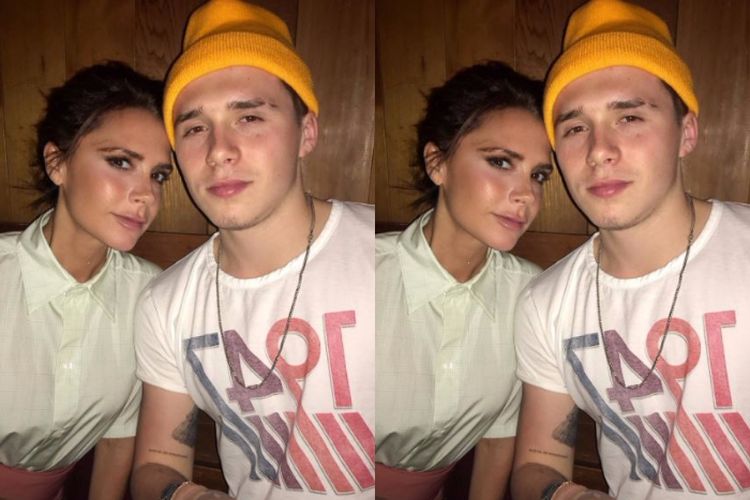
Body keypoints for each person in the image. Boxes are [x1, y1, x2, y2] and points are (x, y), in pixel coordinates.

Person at [130, 1, 374, 499]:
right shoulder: (165, 303)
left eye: (249, 117)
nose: (219, 150)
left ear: (306, 133)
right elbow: (155, 465)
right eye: (195, 128)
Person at [511, 0, 750, 498]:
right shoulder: (545, 303)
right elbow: (536, 464)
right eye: (575, 128)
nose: (599, 150)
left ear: (686, 133)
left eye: (630, 117)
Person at [376, 61, 553, 500]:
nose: (526, 195)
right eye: (500, 162)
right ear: (437, 163)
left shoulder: (530, 294)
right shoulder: (362, 273)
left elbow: (498, 438)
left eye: (538, 175)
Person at [0, 61, 172, 499]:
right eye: (121, 162)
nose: (147, 195)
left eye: (158, 175)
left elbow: (118, 439)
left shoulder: (149, 295)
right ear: (57, 163)